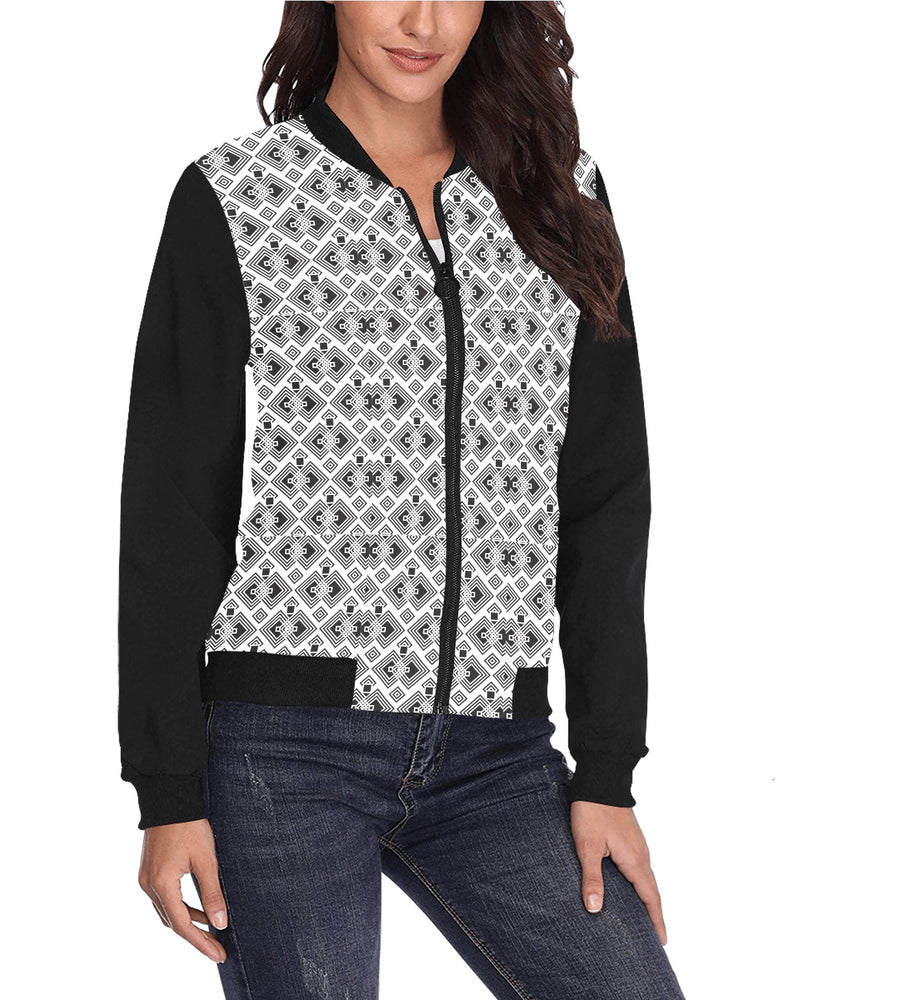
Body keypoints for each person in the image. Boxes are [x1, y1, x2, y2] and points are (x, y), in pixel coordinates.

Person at [117, 2, 687, 997]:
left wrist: (606, 772)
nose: (422, 20)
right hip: (283, 748)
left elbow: (605, 492)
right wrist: (167, 788)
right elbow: (173, 505)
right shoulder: (239, 195)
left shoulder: (558, 197)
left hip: (498, 755)